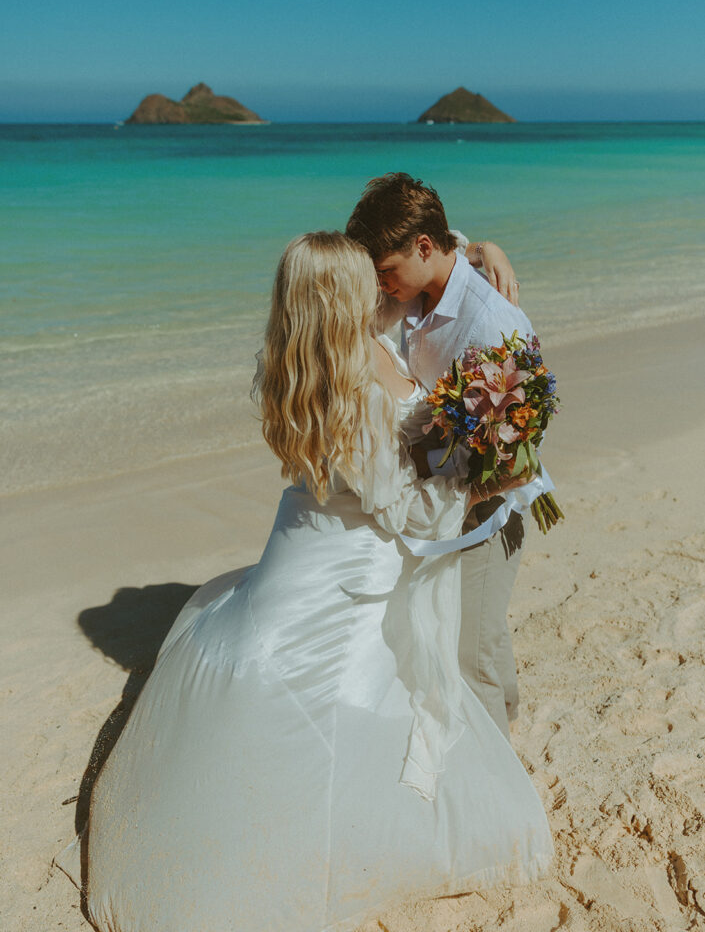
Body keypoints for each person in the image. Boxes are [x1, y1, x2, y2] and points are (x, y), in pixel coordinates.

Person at [58, 232, 552, 932]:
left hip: (302, 535)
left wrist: (479, 250)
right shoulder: (355, 391)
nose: (384, 292)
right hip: (356, 559)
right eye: (366, 283)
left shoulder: (297, 359)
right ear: (342, 299)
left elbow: (422, 256)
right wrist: (488, 479)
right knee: (350, 694)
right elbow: (404, 509)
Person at [347, 174, 549, 740]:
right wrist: (484, 247)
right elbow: (455, 241)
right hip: (441, 492)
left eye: (386, 272)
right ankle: (509, 712)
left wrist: (454, 503)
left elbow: (520, 460)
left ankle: (498, 781)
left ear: (424, 249)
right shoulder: (415, 286)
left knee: (471, 648)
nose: (382, 286)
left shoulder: (492, 324)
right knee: (482, 629)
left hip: (486, 505)